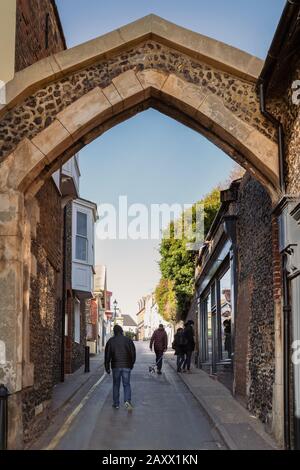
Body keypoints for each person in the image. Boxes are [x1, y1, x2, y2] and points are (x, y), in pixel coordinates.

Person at [105, 324, 136, 410]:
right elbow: (133, 353)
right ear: (122, 331)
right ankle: (127, 401)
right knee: (126, 384)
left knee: (116, 385)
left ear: (114, 332)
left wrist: (107, 367)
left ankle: (116, 404)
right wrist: (131, 364)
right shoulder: (129, 340)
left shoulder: (111, 341)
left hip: (115, 366)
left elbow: (107, 355)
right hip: (127, 366)